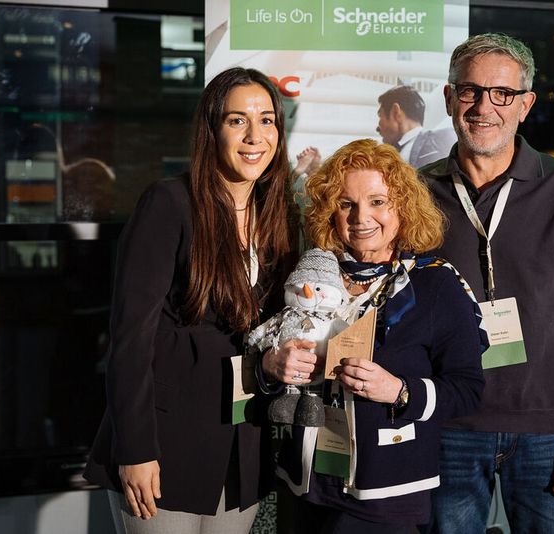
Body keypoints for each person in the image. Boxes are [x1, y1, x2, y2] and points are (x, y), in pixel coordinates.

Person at [420, 33, 554, 533]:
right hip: (445, 428)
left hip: (547, 433)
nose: (484, 106)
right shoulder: (415, 194)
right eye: (469, 91)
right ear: (449, 98)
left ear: (525, 104)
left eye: (502, 94)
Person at [83, 67, 296, 534]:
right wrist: (135, 449)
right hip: (166, 438)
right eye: (237, 120)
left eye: (266, 120)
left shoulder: (279, 216)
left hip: (241, 442)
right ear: (211, 130)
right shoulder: (169, 203)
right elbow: (129, 339)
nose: (254, 136)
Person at [261, 139, 488, 533]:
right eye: (346, 203)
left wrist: (399, 390)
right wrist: (271, 363)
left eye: (378, 202)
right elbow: (266, 348)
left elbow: (467, 389)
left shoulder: (435, 283)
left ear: (404, 206)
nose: (361, 217)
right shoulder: (311, 276)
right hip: (304, 482)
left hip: (387, 496)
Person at [376, 85, 456, 168]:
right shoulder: (389, 155)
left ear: (395, 112)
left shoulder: (442, 138)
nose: (378, 128)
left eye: (380, 116)